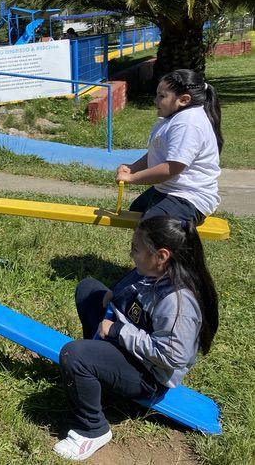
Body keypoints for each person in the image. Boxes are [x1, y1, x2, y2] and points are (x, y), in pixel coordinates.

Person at [53, 216, 219, 460]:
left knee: (74, 354)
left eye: (135, 249)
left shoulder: (177, 304)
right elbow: (133, 291)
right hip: (129, 345)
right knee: (88, 289)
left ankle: (93, 429)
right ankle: (94, 371)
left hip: (149, 375)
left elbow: (173, 356)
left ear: (161, 256)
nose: (131, 254)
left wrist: (119, 331)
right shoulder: (152, 269)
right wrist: (115, 296)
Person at [116, 69, 223, 225]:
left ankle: (172, 239)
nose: (155, 101)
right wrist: (133, 168)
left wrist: (132, 178)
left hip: (190, 197)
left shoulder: (187, 123)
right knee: (137, 209)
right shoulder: (173, 118)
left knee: (152, 226)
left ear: (184, 100)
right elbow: (158, 152)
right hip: (170, 189)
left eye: (161, 96)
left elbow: (172, 168)